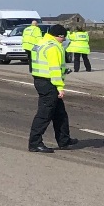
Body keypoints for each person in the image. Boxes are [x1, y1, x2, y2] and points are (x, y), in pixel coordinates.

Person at [29, 24, 76, 153]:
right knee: (44, 114)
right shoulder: (53, 48)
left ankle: (64, 140)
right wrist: (60, 87)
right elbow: (54, 69)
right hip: (49, 83)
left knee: (60, 113)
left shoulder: (41, 43)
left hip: (40, 80)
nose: (64, 40)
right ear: (58, 36)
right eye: (63, 38)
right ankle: (35, 143)